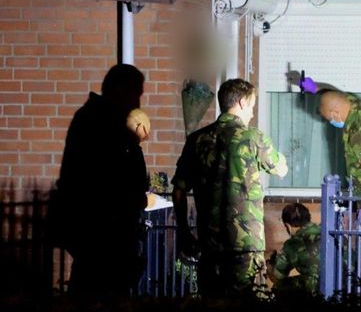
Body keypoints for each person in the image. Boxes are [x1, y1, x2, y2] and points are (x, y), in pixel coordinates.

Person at [171, 78, 288, 298]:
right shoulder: (253, 138)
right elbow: (281, 169)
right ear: (242, 103)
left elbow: (178, 191)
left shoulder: (197, 140)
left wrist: (185, 233)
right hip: (245, 245)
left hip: (210, 244)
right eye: (252, 106)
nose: (252, 113)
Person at [54, 64, 149, 297]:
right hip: (103, 231)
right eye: (135, 93)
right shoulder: (100, 123)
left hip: (107, 231)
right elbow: (106, 178)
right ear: (119, 90)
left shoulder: (101, 121)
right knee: (98, 292)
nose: (137, 102)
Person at [267, 203, 321, 295]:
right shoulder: (326, 231)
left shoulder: (293, 243)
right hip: (346, 284)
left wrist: (269, 265)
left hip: (319, 288)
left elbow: (277, 276)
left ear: (287, 226)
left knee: (279, 286)